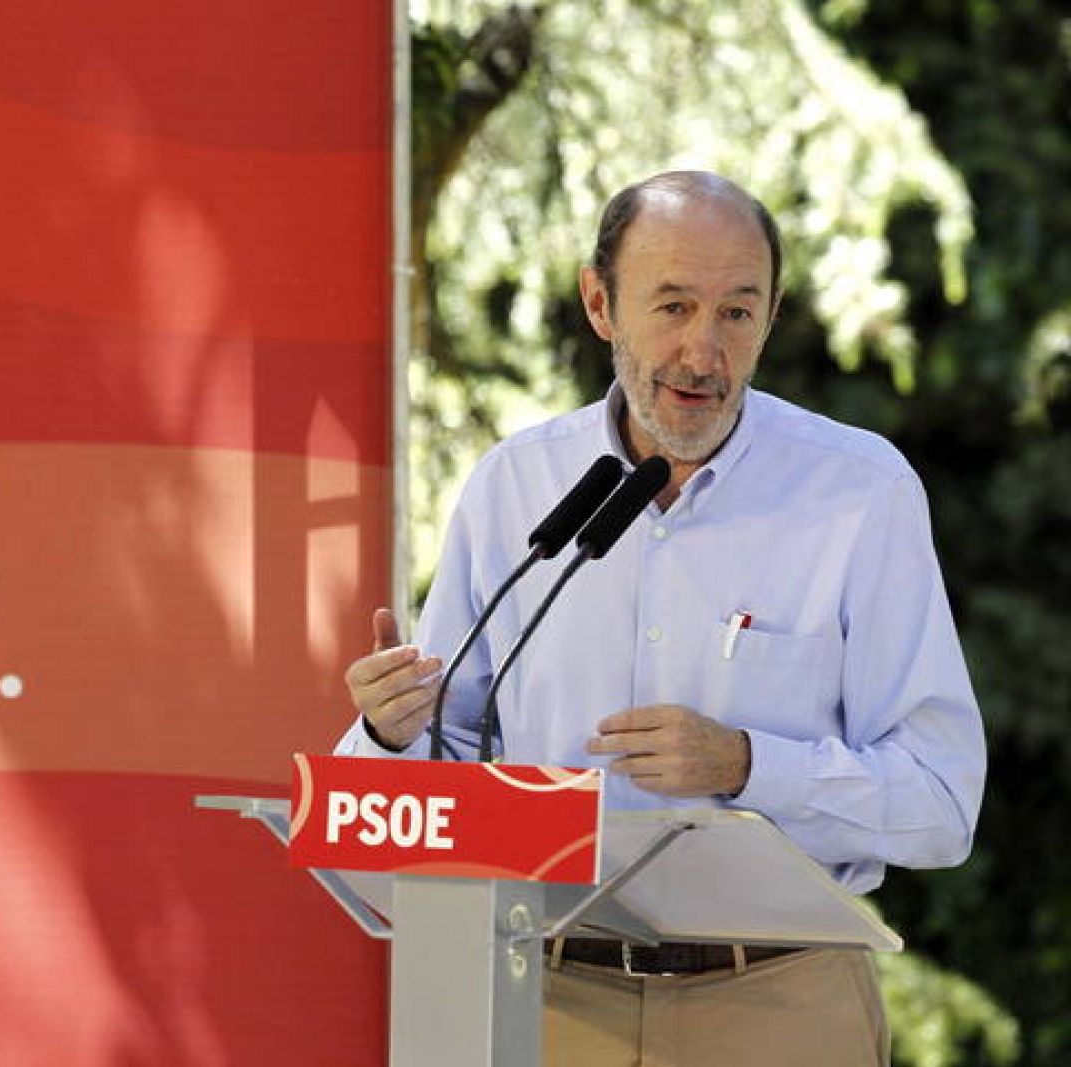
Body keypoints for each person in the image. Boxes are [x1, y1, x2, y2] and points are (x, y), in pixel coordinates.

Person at [336, 171, 986, 1066]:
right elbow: (450, 753)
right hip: (545, 993)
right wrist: (385, 730)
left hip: (779, 1002)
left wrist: (749, 764)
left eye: (736, 314)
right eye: (673, 306)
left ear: (773, 315)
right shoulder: (515, 485)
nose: (703, 352)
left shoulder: (860, 493)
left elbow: (943, 800)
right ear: (599, 302)